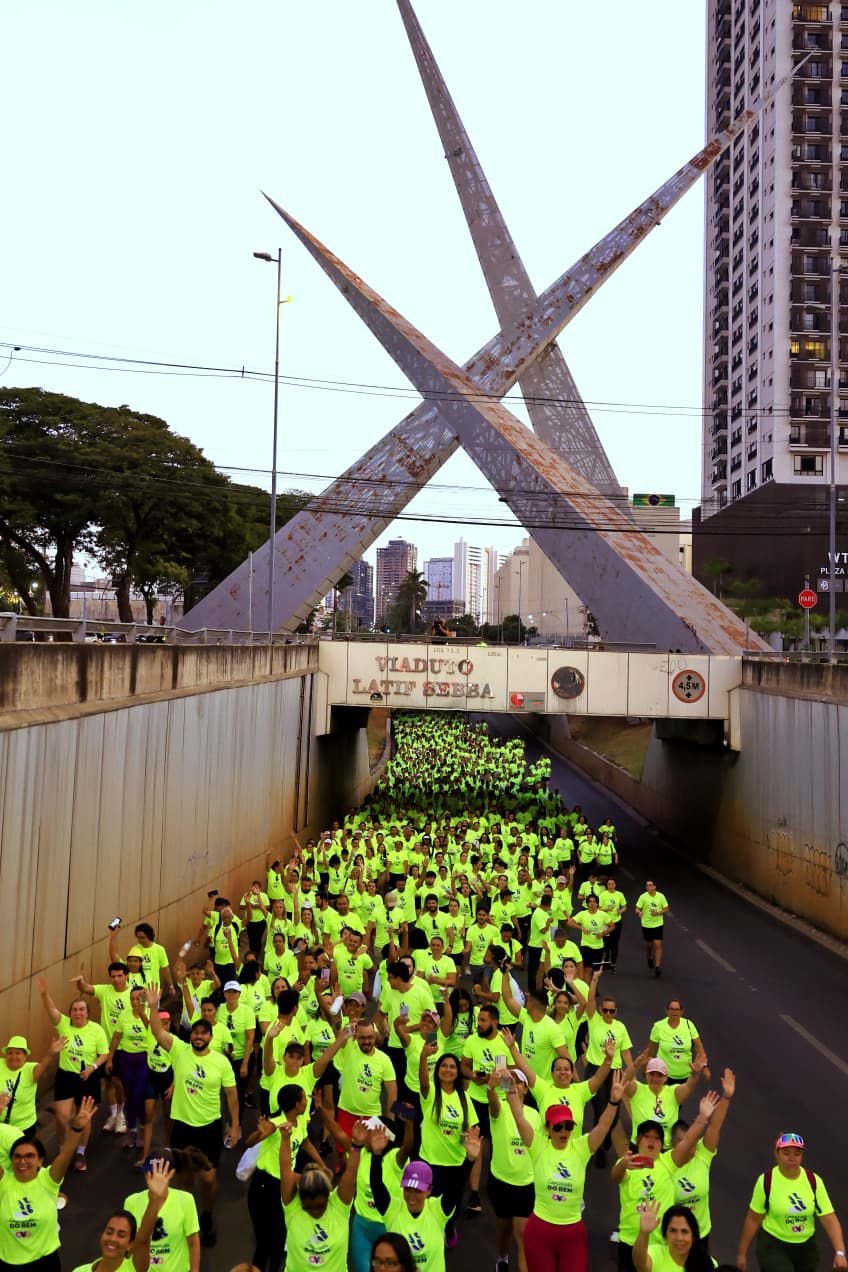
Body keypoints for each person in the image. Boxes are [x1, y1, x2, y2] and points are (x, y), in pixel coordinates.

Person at [145, 984, 239, 1249]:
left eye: (203, 1033)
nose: (199, 1037)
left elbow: (231, 1095)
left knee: (208, 1178)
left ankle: (207, 1214)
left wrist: (234, 1125)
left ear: (210, 1037)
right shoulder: (179, 1050)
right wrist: (153, 1006)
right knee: (185, 1179)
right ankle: (186, 1219)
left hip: (209, 1127)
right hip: (183, 1127)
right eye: (195, 1033)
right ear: (191, 1036)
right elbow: (157, 1031)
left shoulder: (221, 1062)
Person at [505, 1071, 626, 1272]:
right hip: (540, 1230)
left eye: (568, 1126)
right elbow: (518, 1116)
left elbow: (603, 1127)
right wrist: (508, 1088)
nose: (564, 1131)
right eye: (558, 1127)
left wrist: (613, 1101)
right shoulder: (538, 1145)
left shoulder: (581, 1148)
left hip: (572, 1233)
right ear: (547, 1128)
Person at [611, 1093, 720, 1272]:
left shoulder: (667, 1163)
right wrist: (623, 1164)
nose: (652, 1141)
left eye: (656, 1138)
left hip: (659, 1245)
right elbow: (615, 1177)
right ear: (638, 1140)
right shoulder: (628, 1163)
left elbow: (687, 1141)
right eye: (647, 1136)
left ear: (662, 1144)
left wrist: (702, 1117)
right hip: (630, 1241)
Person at [0, 1095, 96, 1270]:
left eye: (29, 1156)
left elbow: (65, 1155)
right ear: (11, 1161)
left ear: (40, 1161)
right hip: (9, 1263)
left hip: (45, 1262)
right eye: (17, 1156)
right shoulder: (3, 1183)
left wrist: (76, 1128)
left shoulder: (48, 1180)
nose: (23, 1161)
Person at [369, 1123, 482, 1271]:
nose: (411, 1196)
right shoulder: (393, 1210)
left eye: (418, 1191)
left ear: (429, 1190)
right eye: (408, 1189)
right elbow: (377, 1186)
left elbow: (456, 1188)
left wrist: (470, 1160)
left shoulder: (437, 1211)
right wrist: (376, 1155)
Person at [735, 1131, 847, 1271]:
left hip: (806, 1248)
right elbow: (753, 1219)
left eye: (797, 1154)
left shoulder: (813, 1181)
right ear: (777, 1154)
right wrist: (741, 1253)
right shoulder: (766, 1181)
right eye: (786, 1153)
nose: (792, 1158)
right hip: (773, 1245)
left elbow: (829, 1219)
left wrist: (840, 1253)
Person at [37, 977, 109, 1168]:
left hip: (87, 1077)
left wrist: (93, 1067)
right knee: (61, 1117)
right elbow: (52, 1011)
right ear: (70, 1013)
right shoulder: (64, 1024)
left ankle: (80, 1153)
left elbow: (104, 1053)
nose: (78, 1013)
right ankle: (64, 1151)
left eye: (82, 1009)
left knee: (83, 1117)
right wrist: (44, 994)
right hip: (66, 1076)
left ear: (87, 1013)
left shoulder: (96, 1030)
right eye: (75, 1010)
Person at [279, 1118, 363, 1272]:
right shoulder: (292, 1207)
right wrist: (285, 1139)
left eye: (320, 1206)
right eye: (308, 1208)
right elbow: (285, 1170)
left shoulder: (339, 1207)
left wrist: (357, 1146)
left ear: (329, 1194)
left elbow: (350, 1175)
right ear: (300, 1200)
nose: (315, 1211)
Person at [71, 1158, 174, 1272]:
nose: (113, 1239)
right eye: (109, 1232)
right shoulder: (80, 1271)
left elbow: (142, 1240)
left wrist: (154, 1200)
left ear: (131, 1244)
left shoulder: (134, 1268)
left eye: (121, 1235)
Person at [486, 1069, 537, 1272]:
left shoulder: (535, 1115)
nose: (514, 1084)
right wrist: (491, 1087)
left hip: (526, 1183)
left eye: (518, 1082)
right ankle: (502, 1257)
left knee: (523, 1236)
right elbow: (492, 1104)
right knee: (504, 1228)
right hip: (500, 1181)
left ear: (525, 1089)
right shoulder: (500, 1108)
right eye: (510, 1080)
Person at [124, 1151, 200, 1272]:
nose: (154, 1178)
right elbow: (129, 1245)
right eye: (150, 1172)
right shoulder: (131, 1202)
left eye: (160, 1173)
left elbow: (193, 1242)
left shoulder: (186, 1200)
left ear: (171, 1173)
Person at [0, 1037, 64, 1136]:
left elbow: (43, 1066)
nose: (13, 1056)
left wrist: (50, 1054)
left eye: (17, 1053)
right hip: (2, 1126)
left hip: (23, 1127)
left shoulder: (30, 1069)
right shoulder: (1, 1064)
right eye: (10, 1053)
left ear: (25, 1056)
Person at [632, 1200, 713, 1272]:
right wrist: (644, 1233)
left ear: (693, 1237)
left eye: (684, 1231)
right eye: (673, 1231)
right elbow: (640, 1266)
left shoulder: (706, 1263)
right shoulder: (654, 1254)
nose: (679, 1238)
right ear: (665, 1235)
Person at [647, 1002, 707, 1085]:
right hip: (663, 1075)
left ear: (681, 1012)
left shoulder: (689, 1025)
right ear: (666, 1011)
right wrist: (646, 1066)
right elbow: (650, 1049)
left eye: (677, 1009)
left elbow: (699, 1046)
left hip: (686, 1075)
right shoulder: (658, 1026)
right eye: (671, 1009)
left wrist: (704, 1066)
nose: (674, 1012)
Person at [635, 882, 669, 977]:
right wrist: (639, 913)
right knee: (649, 944)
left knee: (658, 944)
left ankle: (657, 967)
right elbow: (637, 908)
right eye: (647, 885)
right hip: (646, 924)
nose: (648, 887)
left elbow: (666, 909)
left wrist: (658, 913)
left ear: (654, 886)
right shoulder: (643, 897)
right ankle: (650, 956)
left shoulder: (661, 896)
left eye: (650, 885)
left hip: (658, 924)